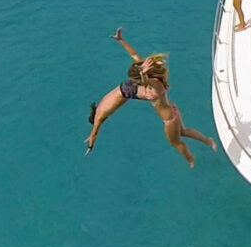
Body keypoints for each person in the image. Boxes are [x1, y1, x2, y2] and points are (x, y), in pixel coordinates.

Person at [85, 28, 217, 167]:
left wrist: (90, 146)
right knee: (183, 131)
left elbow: (94, 134)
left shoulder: (153, 86)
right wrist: (121, 40)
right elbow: (135, 55)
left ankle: (191, 159)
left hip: (169, 118)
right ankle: (208, 140)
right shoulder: (154, 79)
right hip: (166, 106)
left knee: (176, 142)